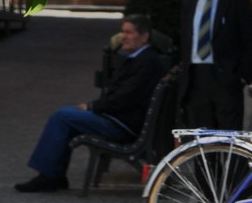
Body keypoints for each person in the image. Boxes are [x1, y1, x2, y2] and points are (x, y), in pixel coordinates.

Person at [15, 14, 169, 192]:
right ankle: (52, 175)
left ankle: (50, 177)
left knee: (61, 117)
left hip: (123, 125)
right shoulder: (143, 58)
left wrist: (92, 107)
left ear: (144, 36)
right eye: (122, 32)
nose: (123, 37)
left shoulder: (146, 62)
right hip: (123, 119)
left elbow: (125, 98)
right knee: (66, 115)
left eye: (129, 33)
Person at [178, 0, 252, 130]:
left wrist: (243, 77)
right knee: (201, 140)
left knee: (229, 139)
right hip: (195, 80)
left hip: (226, 78)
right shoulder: (189, 2)